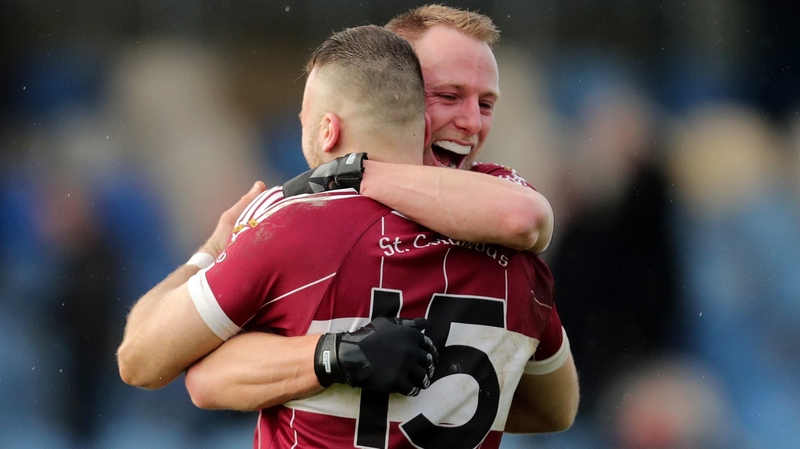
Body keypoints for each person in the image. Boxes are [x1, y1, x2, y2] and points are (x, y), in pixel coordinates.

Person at [117, 22, 576, 449]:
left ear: (328, 127)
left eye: (486, 103)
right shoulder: (519, 260)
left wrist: (215, 250)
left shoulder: (296, 227)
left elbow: (150, 363)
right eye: (447, 95)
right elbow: (555, 408)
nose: (472, 123)